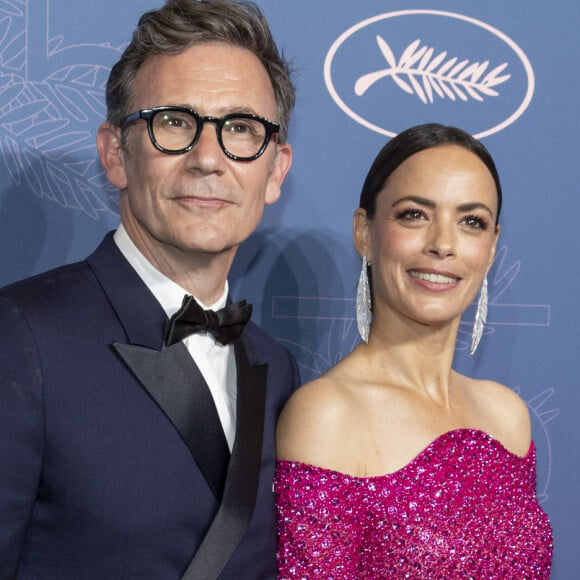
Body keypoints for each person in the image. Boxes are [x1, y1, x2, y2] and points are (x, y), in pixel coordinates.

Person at [0, 0, 299, 578]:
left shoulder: (278, 367)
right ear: (116, 153)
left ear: (276, 171)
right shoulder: (21, 339)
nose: (208, 159)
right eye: (175, 123)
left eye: (240, 128)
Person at [275, 124, 553, 578]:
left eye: (471, 222)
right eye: (413, 215)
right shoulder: (327, 414)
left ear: (492, 247)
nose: (443, 243)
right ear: (364, 232)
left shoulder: (508, 416)